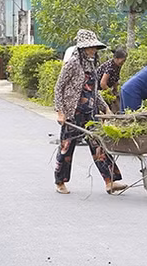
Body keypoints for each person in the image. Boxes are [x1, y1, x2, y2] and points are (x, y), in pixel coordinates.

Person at [53, 29, 125, 195]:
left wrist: (105, 107)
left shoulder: (92, 65)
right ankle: (60, 181)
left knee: (98, 144)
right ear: (82, 49)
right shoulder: (72, 64)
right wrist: (60, 111)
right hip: (72, 112)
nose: (92, 50)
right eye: (89, 48)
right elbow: (59, 88)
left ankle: (110, 181)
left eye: (94, 47)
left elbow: (93, 90)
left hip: (89, 112)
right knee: (67, 147)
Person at [98, 46, 127, 112]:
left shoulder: (118, 66)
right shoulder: (110, 66)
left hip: (106, 89)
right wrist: (111, 94)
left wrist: (115, 90)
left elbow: (116, 79)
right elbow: (103, 83)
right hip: (99, 90)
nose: (123, 62)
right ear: (116, 59)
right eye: (122, 60)